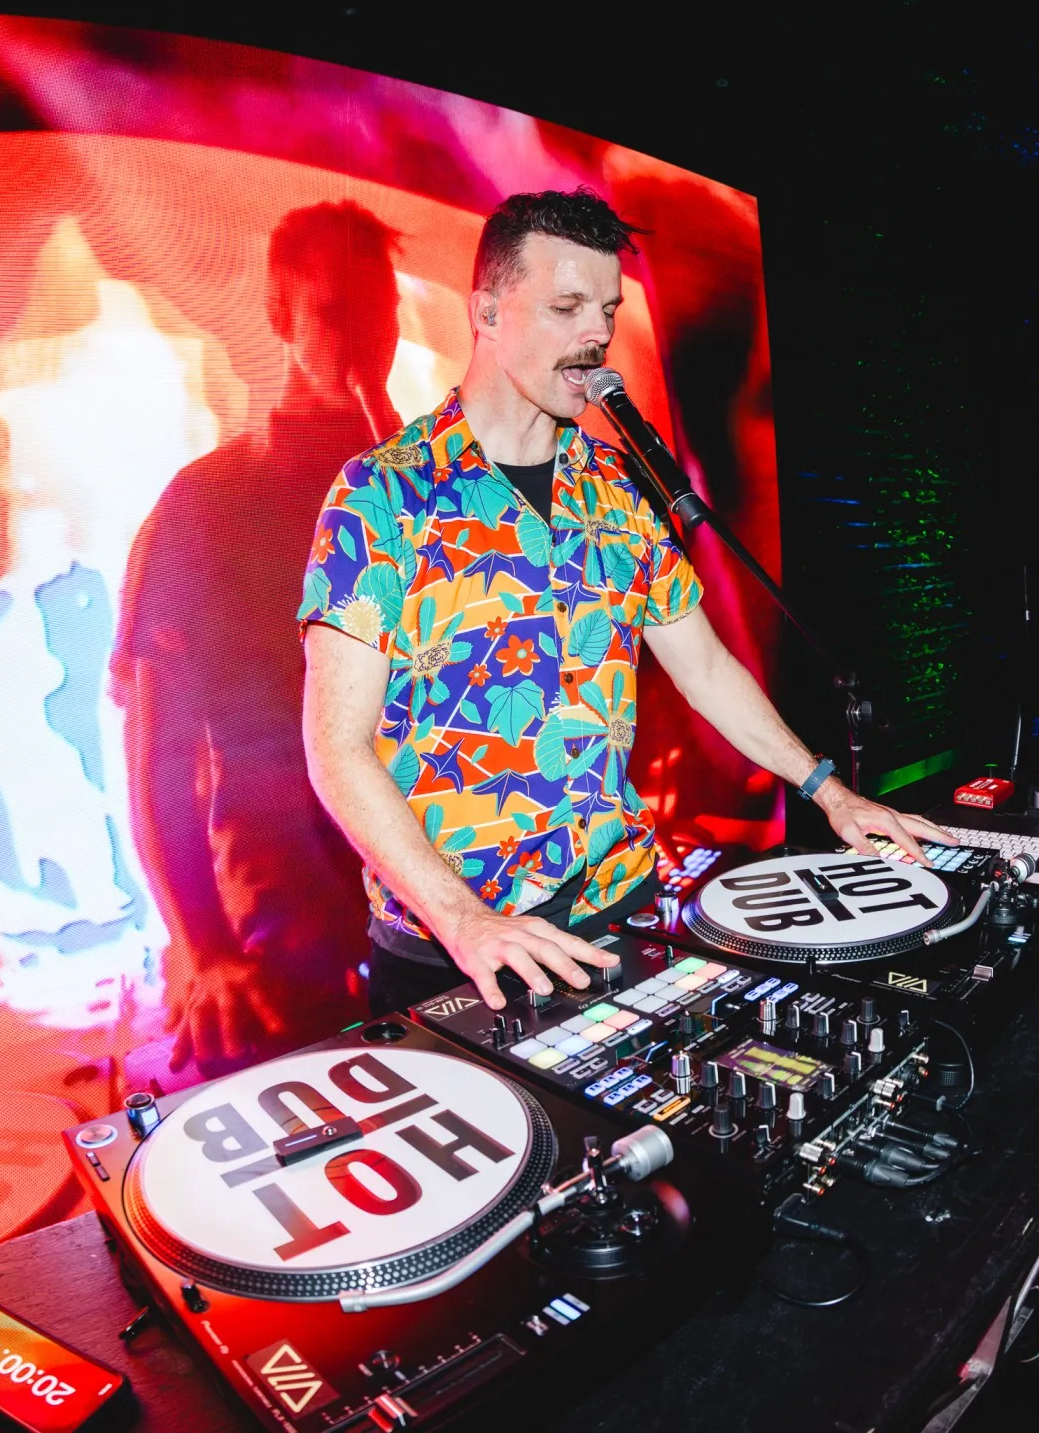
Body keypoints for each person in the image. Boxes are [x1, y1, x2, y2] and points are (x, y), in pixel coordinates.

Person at [298, 189, 952, 1015]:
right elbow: (336, 745)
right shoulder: (382, 494)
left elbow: (706, 669)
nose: (595, 335)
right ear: (486, 312)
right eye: (565, 306)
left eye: (605, 310)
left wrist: (829, 790)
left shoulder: (616, 492)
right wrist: (463, 920)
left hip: (618, 909)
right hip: (455, 947)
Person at [115, 201, 404, 1069]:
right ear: (281, 316)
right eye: (335, 314)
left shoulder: (429, 492)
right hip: (285, 923)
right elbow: (159, 750)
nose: (364, 344)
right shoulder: (208, 503)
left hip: (433, 897)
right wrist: (205, 949)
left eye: (380, 315)